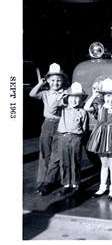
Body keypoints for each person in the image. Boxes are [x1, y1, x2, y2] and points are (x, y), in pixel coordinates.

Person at [29, 62, 68, 196]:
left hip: (60, 124)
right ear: (48, 81)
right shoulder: (45, 93)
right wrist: (40, 83)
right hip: (47, 124)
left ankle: (49, 182)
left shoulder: (66, 93)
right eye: (52, 80)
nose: (55, 83)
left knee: (56, 155)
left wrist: (64, 97)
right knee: (45, 153)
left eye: (58, 80)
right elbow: (32, 94)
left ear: (63, 81)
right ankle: (42, 181)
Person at [50, 82, 88, 196]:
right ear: (68, 98)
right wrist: (60, 97)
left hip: (76, 138)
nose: (74, 100)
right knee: (64, 162)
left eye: (77, 98)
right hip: (63, 138)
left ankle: (76, 184)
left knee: (75, 161)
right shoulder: (63, 109)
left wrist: (80, 138)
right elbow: (52, 108)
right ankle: (66, 185)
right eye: (72, 97)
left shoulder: (82, 112)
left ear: (81, 99)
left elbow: (84, 128)